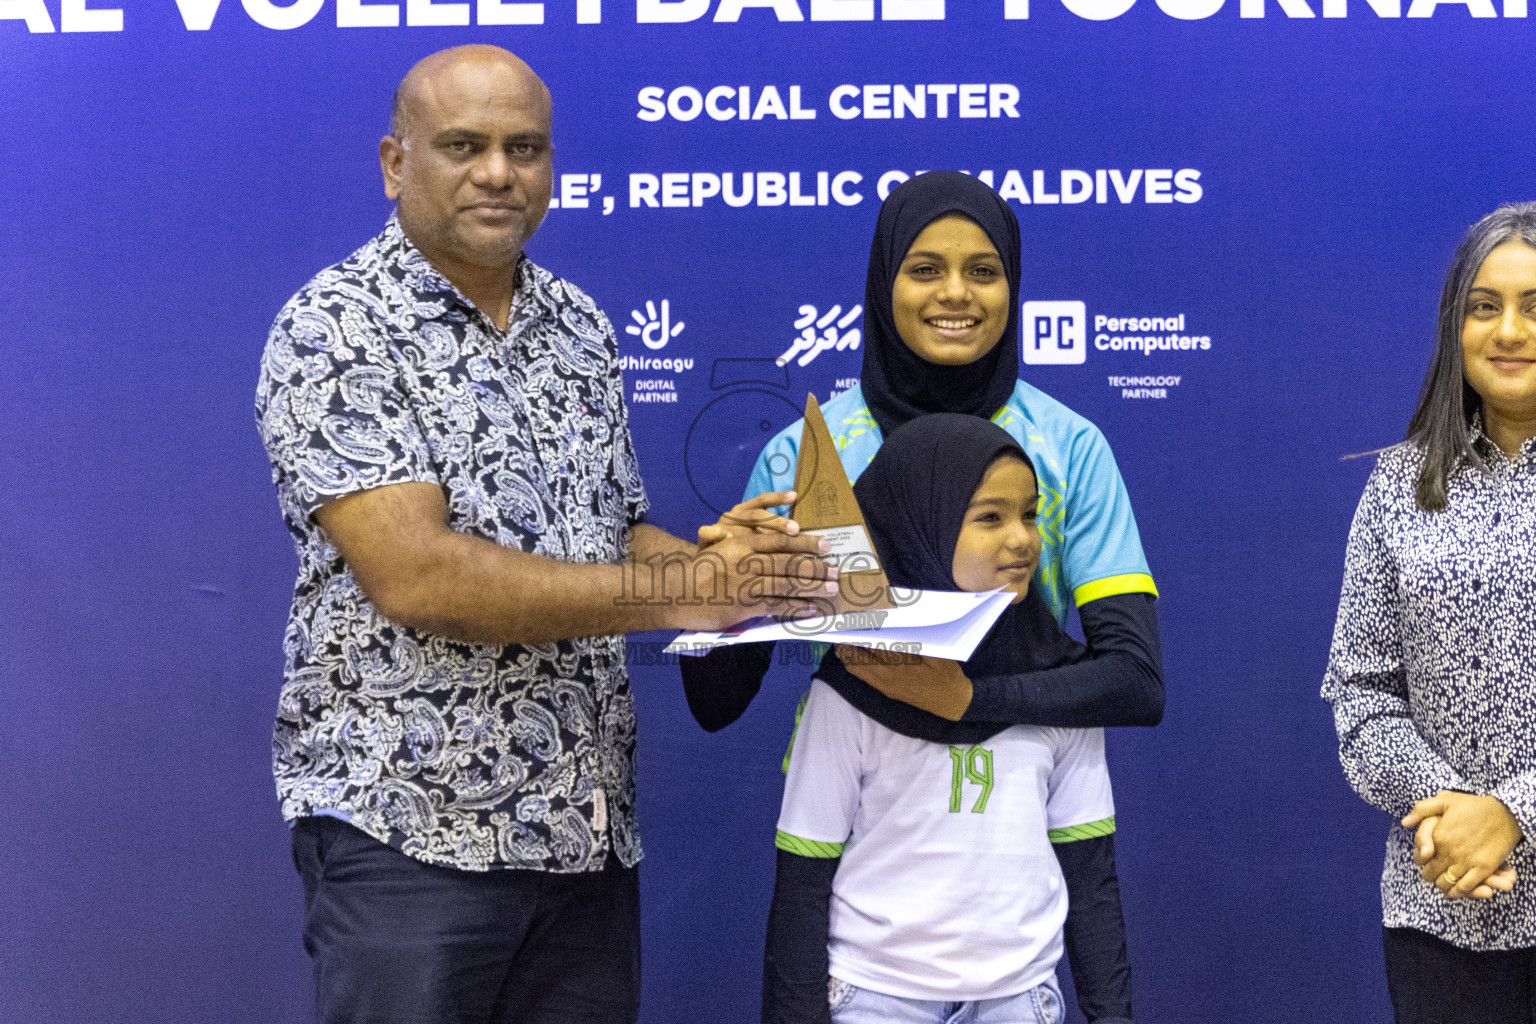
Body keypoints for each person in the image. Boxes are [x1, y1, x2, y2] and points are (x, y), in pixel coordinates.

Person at [253, 45, 832, 1024]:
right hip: (413, 836)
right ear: (396, 163)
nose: (498, 172)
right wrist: (688, 591)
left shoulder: (581, 326)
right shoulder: (336, 327)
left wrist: (733, 572)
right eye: (464, 145)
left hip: (583, 835)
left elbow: (609, 536)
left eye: (524, 148)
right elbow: (421, 577)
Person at [682, 170, 1158, 1022]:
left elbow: (1134, 679)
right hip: (873, 856)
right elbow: (716, 703)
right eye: (924, 268)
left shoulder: (1070, 448)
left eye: (984, 270)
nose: (955, 294)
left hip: (1022, 833)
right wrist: (718, 594)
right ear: (881, 283)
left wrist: (970, 697)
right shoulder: (806, 456)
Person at [763, 413, 1120, 1024]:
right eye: (989, 517)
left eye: (1030, 514)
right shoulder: (852, 686)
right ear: (918, 527)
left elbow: (1091, 876)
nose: (1022, 539)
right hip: (873, 999)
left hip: (1022, 998)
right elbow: (801, 882)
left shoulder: (1063, 684)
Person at [1322, 201, 1536, 1024]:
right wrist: (1455, 820)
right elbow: (1362, 695)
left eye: (1532, 306)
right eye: (1485, 307)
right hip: (1441, 910)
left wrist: (1514, 813)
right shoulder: (1400, 486)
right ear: (1457, 326)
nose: (1509, 329)